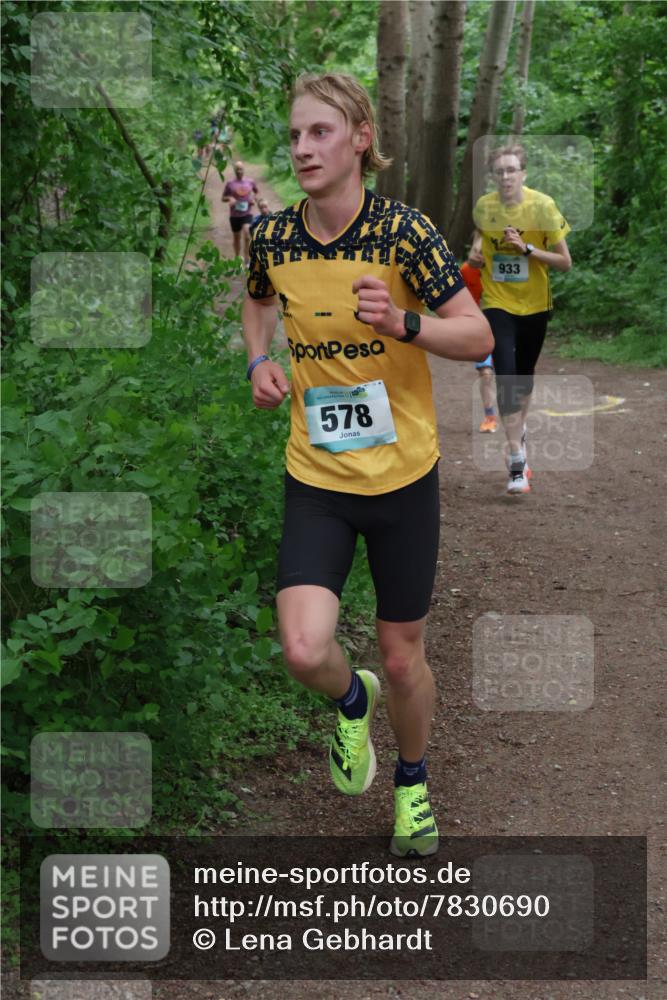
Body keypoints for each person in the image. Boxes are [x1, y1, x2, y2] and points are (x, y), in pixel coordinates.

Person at [243, 72, 492, 857]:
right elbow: (256, 297)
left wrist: (404, 321)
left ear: (357, 139)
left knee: (401, 649)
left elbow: (477, 335)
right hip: (317, 477)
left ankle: (412, 783)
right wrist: (256, 361)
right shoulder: (274, 237)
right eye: (293, 135)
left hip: (403, 479)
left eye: (318, 132)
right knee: (303, 649)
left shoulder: (403, 235)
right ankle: (354, 703)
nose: (301, 148)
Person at [469, 144, 571, 494]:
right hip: (497, 303)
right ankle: (516, 459)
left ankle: (518, 431)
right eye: (500, 171)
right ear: (493, 176)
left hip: (535, 307)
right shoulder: (484, 206)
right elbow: (482, 232)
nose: (506, 176)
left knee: (523, 379)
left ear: (523, 174)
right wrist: (477, 249)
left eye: (512, 170)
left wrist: (527, 249)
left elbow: (564, 262)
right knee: (507, 377)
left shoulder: (542, 206)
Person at [460, 260, 497, 433]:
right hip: (481, 328)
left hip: (507, 326)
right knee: (486, 373)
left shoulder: (507, 261)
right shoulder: (466, 271)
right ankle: (489, 417)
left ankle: (516, 415)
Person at [222, 161, 259, 263]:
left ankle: (247, 259)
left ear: (244, 169)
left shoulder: (250, 181)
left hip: (247, 213)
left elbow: (257, 191)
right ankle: (237, 259)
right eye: (237, 169)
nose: (239, 171)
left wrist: (253, 198)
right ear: (234, 170)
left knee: (247, 235)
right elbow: (223, 197)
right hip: (234, 215)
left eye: (241, 169)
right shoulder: (230, 184)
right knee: (237, 238)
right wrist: (230, 198)